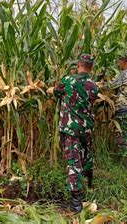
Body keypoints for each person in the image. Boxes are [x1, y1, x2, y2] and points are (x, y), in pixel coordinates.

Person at [48, 54, 98, 213]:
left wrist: (50, 89)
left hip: (71, 129)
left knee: (74, 162)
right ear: (91, 68)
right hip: (87, 128)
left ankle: (76, 202)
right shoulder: (94, 86)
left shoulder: (68, 80)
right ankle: (90, 184)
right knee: (87, 155)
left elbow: (56, 93)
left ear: (79, 65)